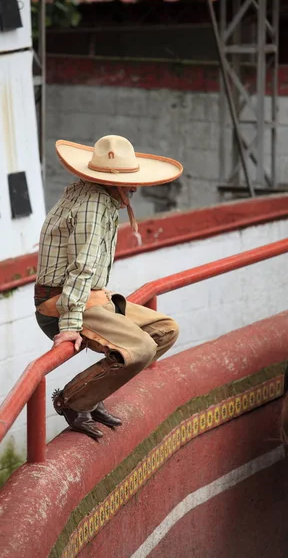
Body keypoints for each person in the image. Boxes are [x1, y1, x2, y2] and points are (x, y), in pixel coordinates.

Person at [34, 135, 183, 440]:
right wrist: (70, 325)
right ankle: (73, 401)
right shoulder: (93, 205)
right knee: (141, 348)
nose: (135, 188)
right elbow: (81, 268)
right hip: (64, 304)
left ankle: (91, 395)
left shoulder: (90, 194)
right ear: (111, 182)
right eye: (130, 181)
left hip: (90, 297)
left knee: (165, 330)